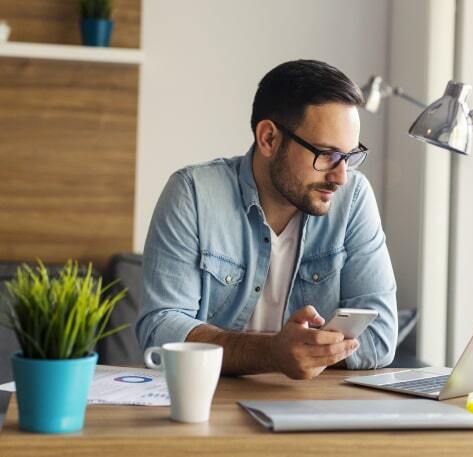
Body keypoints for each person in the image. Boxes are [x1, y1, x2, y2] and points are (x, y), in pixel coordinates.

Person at [136, 59, 397, 380]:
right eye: (327, 154)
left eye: (350, 156)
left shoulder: (353, 198)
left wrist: (300, 353)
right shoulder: (193, 193)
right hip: (209, 402)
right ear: (269, 139)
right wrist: (272, 353)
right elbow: (160, 328)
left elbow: (381, 336)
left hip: (312, 406)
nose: (341, 176)